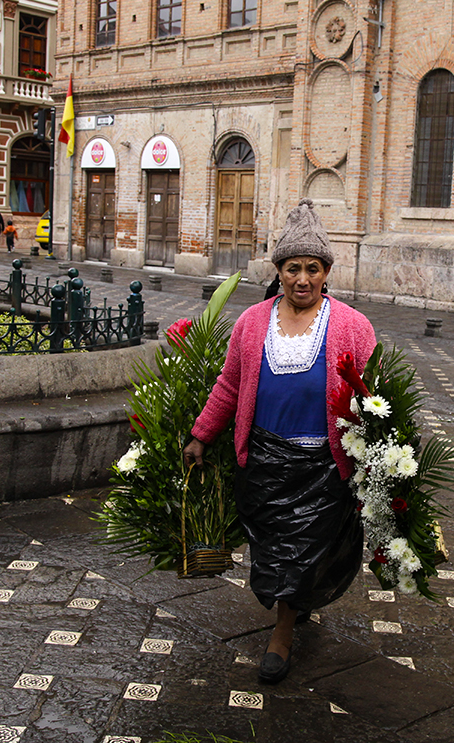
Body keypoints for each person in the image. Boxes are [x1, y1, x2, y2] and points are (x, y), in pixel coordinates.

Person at [183, 198, 376, 685]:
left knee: (301, 550)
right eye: (293, 268)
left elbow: (373, 397)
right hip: (265, 462)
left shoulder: (353, 326)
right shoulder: (252, 323)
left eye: (313, 269)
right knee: (275, 549)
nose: (303, 279)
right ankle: (295, 600)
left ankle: (282, 634)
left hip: (322, 467)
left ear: (327, 272)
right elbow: (229, 384)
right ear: (280, 270)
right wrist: (202, 434)